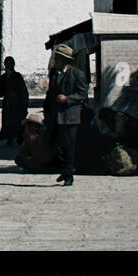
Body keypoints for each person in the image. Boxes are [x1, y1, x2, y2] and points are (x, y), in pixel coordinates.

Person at [44, 44, 88, 185]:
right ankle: (66, 168)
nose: (55, 61)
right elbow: (50, 94)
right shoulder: (53, 73)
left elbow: (82, 95)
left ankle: (69, 174)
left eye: (57, 59)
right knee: (55, 144)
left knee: (69, 146)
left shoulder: (77, 74)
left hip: (70, 117)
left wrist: (67, 99)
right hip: (55, 115)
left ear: (64, 60)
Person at [0, 56, 30, 145]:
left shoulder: (17, 76)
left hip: (17, 101)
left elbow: (23, 89)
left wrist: (24, 101)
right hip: (8, 101)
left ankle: (19, 137)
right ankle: (9, 138)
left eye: (11, 63)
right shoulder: (3, 77)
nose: (9, 65)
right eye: (7, 63)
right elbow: (0, 90)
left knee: (17, 120)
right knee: (7, 120)